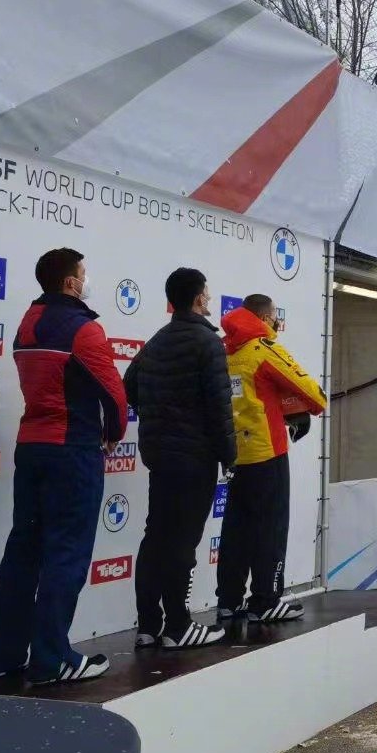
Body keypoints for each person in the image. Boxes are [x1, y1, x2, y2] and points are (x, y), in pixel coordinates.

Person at [0, 248, 127, 685]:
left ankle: (2, 657)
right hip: (73, 451)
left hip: (31, 448)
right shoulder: (85, 330)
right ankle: (52, 659)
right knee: (67, 553)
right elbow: (115, 398)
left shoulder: (26, 324)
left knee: (23, 551)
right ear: (70, 283)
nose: (86, 281)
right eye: (83, 274)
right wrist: (113, 436)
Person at [124, 268, 236, 649]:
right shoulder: (208, 344)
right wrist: (229, 455)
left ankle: (148, 625)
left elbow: (129, 386)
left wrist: (160, 416)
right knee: (182, 541)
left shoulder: (157, 340)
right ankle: (179, 625)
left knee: (156, 536)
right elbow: (220, 408)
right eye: (206, 292)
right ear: (200, 298)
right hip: (194, 458)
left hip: (161, 457)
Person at [217, 294, 327, 622]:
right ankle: (266, 600)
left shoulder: (225, 350)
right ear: (266, 318)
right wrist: (307, 404)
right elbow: (312, 393)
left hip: (235, 454)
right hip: (267, 451)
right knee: (270, 528)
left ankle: (228, 601)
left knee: (236, 529)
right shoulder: (262, 348)